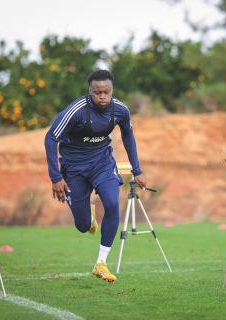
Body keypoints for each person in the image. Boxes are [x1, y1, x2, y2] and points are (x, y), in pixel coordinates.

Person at [44, 69, 146, 282]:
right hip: (74, 168)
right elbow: (51, 138)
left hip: (102, 163)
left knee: (111, 203)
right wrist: (55, 177)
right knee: (83, 226)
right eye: (97, 92)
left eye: (106, 92)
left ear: (112, 91)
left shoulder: (120, 110)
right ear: (89, 91)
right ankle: (87, 216)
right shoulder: (75, 111)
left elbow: (128, 135)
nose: (102, 96)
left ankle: (101, 263)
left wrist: (137, 170)